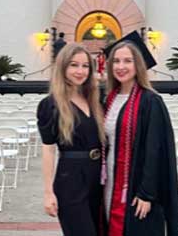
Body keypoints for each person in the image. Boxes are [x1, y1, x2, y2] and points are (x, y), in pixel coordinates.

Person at [102, 31, 178, 236]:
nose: (121, 67)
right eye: (116, 61)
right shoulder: (108, 99)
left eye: (127, 61)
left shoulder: (150, 102)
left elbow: (154, 150)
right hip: (110, 182)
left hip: (136, 188)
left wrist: (147, 193)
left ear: (138, 65)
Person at [37, 44, 106, 236]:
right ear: (63, 67)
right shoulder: (50, 105)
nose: (80, 71)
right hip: (71, 179)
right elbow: (48, 149)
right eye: (74, 65)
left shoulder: (95, 100)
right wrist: (48, 192)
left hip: (99, 178)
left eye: (85, 66)